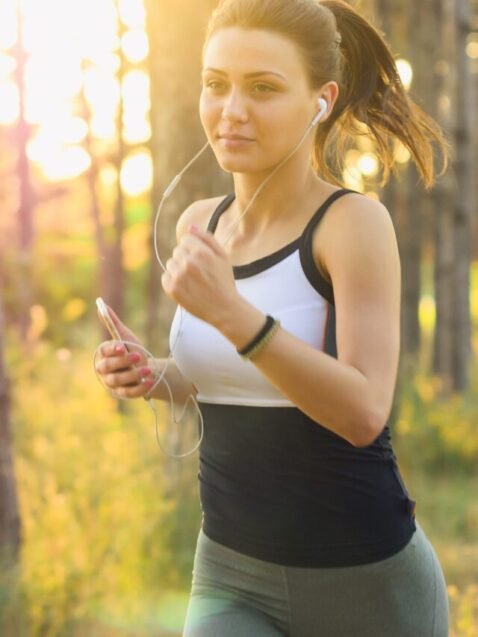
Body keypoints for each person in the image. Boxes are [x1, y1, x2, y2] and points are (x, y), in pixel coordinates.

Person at [95, 0, 452, 635]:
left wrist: (234, 315)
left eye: (263, 88)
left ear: (322, 99)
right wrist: (154, 374)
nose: (231, 111)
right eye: (215, 84)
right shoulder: (197, 223)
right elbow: (230, 378)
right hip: (231, 571)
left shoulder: (350, 225)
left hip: (364, 580)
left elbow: (364, 412)